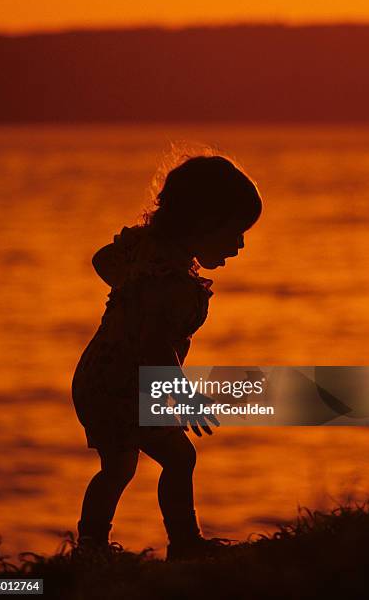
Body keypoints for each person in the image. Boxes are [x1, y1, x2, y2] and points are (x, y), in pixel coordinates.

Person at [71, 154, 263, 560]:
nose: (241, 243)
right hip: (125, 384)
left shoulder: (148, 256)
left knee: (118, 468)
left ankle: (90, 547)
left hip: (100, 375)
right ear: (202, 223)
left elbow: (102, 259)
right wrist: (184, 396)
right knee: (179, 456)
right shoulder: (170, 283)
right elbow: (157, 345)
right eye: (235, 231)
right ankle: (184, 542)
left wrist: (129, 285)